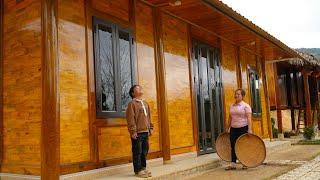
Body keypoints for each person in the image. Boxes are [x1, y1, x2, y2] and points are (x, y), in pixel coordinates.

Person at [126, 85, 153, 178]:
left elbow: (149, 117)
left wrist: (150, 128)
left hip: (145, 131)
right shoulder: (132, 104)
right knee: (137, 151)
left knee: (145, 151)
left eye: (140, 87)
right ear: (133, 93)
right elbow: (130, 118)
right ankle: (138, 170)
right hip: (137, 133)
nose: (140, 88)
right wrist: (133, 131)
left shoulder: (145, 103)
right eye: (137, 88)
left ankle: (143, 168)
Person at [225, 88, 252, 170]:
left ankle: (245, 163)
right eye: (235, 94)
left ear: (242, 96)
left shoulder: (246, 106)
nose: (236, 95)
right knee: (233, 145)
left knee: (242, 145)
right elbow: (230, 118)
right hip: (233, 128)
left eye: (238, 94)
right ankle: (233, 164)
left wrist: (250, 129)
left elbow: (249, 118)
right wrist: (228, 128)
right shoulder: (232, 106)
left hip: (243, 128)